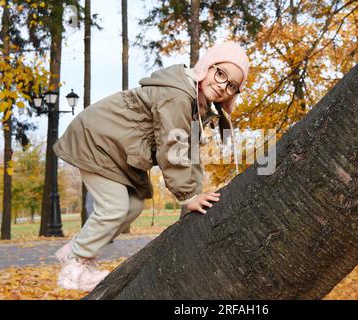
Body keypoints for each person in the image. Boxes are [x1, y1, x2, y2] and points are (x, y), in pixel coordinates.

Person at [52, 41, 250, 291]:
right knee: (114, 207)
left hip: (116, 151)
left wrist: (197, 194)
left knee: (132, 207)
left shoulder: (197, 108)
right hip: (97, 139)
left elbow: (191, 156)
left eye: (232, 85)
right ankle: (74, 265)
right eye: (220, 73)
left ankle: (77, 250)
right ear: (206, 67)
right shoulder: (179, 95)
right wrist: (188, 196)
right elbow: (173, 147)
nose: (223, 85)